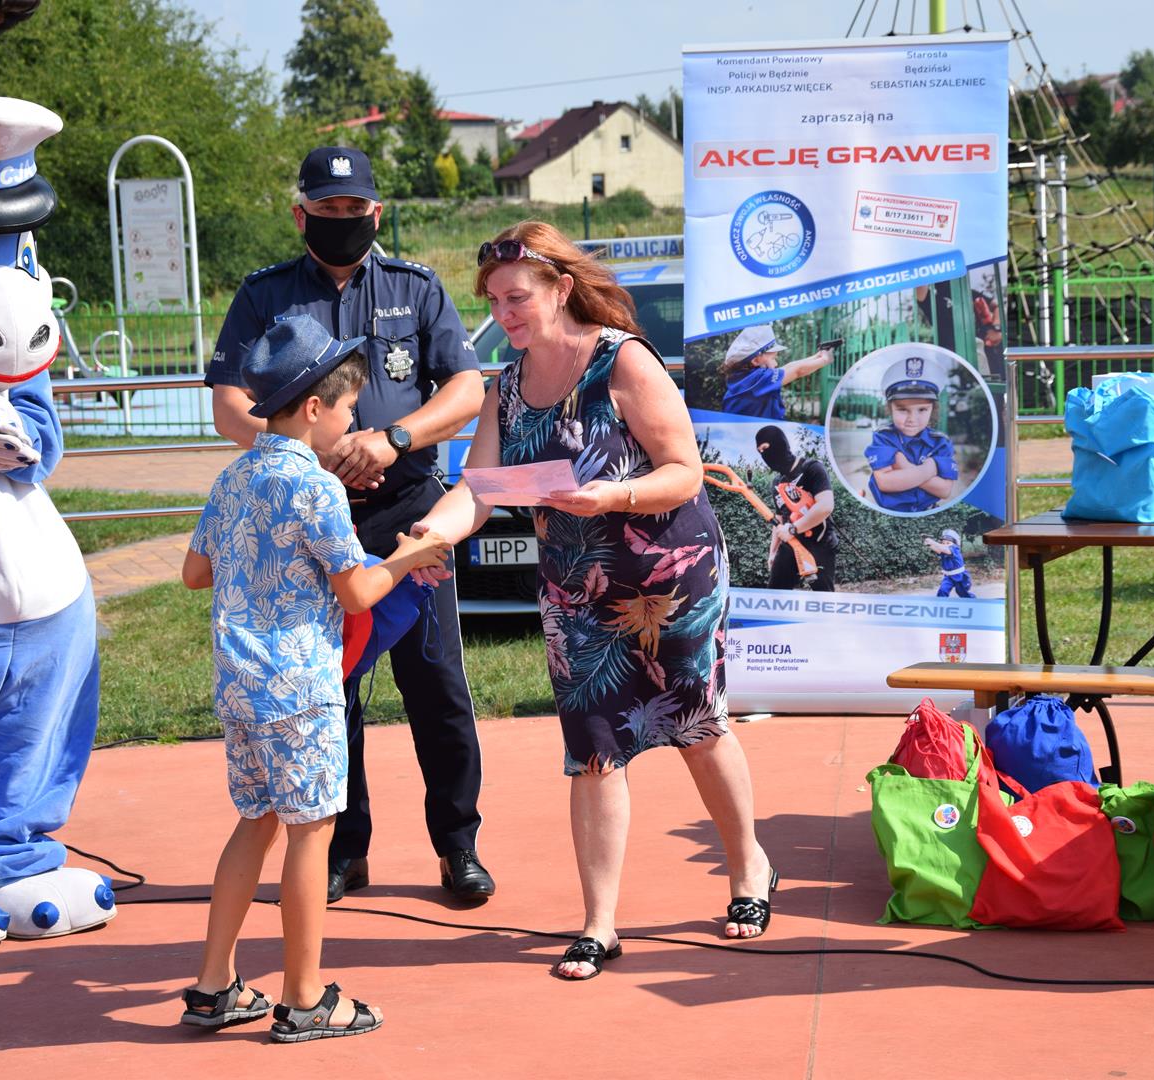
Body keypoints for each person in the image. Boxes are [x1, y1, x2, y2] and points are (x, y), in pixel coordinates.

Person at [412, 221, 777, 981]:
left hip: (670, 573)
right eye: (494, 301)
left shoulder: (624, 361)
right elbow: (477, 492)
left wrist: (617, 494)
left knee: (696, 724)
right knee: (593, 751)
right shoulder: (504, 388)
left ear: (560, 290)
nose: (504, 314)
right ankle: (601, 923)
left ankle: (749, 868)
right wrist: (430, 535)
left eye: (517, 298)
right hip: (577, 589)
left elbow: (685, 471)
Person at [205, 146, 494, 905]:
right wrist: (312, 456)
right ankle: (343, 851)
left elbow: (467, 387)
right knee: (333, 693)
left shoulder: (415, 288)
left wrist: (394, 439)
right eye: (326, 212)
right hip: (311, 515)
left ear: (376, 212)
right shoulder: (264, 295)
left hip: (409, 513)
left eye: (354, 211)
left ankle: (457, 845)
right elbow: (229, 401)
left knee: (437, 686)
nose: (342, 223)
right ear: (301, 214)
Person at [180, 316, 452, 1040]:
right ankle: (303, 999)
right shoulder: (317, 487)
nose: (351, 423)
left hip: (238, 684)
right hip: (299, 686)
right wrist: (406, 560)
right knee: (311, 832)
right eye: (349, 409)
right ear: (313, 408)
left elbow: (194, 572)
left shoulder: (233, 476)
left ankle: (214, 986)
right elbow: (358, 592)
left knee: (257, 820)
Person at [866, 356, 958, 513]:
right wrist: (932, 467)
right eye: (902, 409)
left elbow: (944, 490)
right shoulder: (883, 438)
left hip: (929, 512)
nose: (912, 419)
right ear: (890, 408)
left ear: (932, 409)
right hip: (889, 513)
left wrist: (904, 466)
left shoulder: (941, 442)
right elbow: (885, 483)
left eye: (922, 410)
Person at [754, 425, 837, 591]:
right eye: (759, 451)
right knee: (776, 594)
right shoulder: (777, 483)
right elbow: (778, 521)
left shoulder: (812, 468)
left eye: (766, 448)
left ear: (780, 443)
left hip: (819, 543)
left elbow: (826, 506)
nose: (765, 455)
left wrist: (793, 528)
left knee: (823, 595)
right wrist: (773, 552)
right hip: (790, 544)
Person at [720, 324, 835, 419]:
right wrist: (825, 360)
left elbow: (789, 367)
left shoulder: (746, 378)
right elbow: (797, 371)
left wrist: (817, 356)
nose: (776, 364)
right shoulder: (758, 379)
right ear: (755, 360)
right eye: (773, 358)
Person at [925, 528, 975, 598]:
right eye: (943, 543)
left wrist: (933, 542)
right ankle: (941, 604)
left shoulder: (954, 549)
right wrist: (929, 544)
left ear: (955, 544)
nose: (945, 545)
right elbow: (938, 550)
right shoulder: (944, 550)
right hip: (949, 577)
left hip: (960, 576)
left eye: (948, 543)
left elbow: (944, 549)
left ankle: (973, 603)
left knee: (963, 593)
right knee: (942, 590)